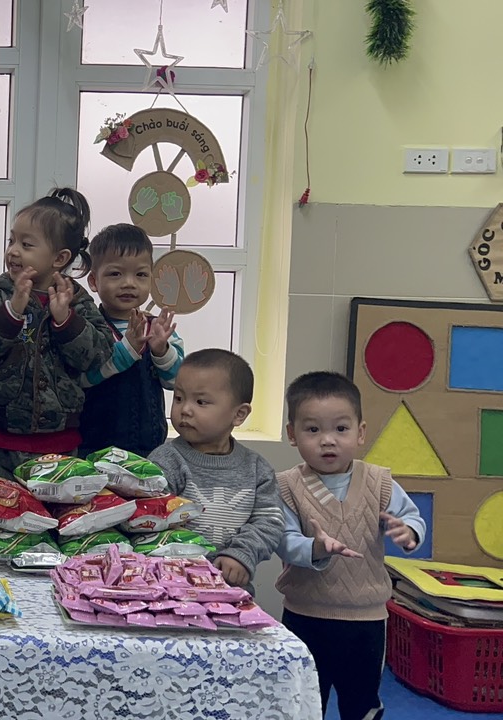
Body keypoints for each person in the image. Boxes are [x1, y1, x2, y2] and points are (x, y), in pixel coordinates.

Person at [276, 371, 425, 720]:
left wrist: (409, 532)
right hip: (304, 616)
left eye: (341, 429)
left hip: (366, 620)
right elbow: (283, 541)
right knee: (303, 702)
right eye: (313, 430)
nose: (328, 440)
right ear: (292, 434)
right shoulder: (286, 487)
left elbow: (411, 517)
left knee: (361, 702)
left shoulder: (379, 482)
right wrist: (315, 548)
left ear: (360, 432)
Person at [0, 188, 114, 480]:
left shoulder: (77, 301)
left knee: (55, 510)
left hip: (59, 445)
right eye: (12, 240)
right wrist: (12, 310)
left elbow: (98, 354)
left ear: (60, 258)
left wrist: (65, 320)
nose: (13, 250)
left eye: (26, 244)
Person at [148, 349, 284, 589]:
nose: (185, 409)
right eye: (178, 398)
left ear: (239, 414)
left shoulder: (257, 470)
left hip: (231, 590)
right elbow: (149, 522)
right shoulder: (165, 461)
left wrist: (241, 554)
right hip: (171, 588)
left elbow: (269, 521)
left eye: (201, 402)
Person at [78, 223, 183, 458]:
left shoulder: (159, 329)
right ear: (93, 281)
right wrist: (127, 349)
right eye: (115, 274)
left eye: (141, 275)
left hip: (149, 451)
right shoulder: (86, 329)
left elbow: (176, 382)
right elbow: (82, 379)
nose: (129, 283)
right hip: (92, 450)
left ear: (152, 280)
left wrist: (161, 350)